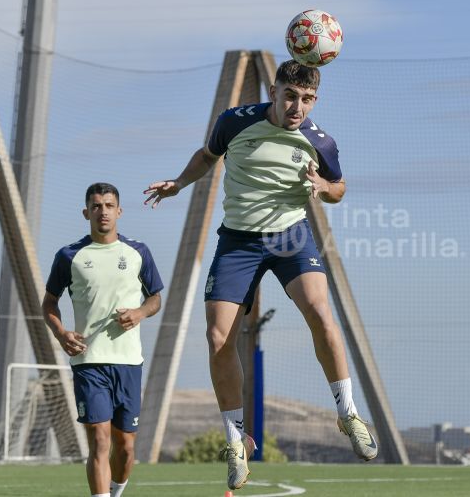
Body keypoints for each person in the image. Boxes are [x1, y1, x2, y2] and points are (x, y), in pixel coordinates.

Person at [143, 60, 377, 490]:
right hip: (239, 242)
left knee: (320, 312)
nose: (297, 107)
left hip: (291, 238)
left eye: (306, 100)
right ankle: (236, 439)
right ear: (274, 90)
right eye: (290, 96)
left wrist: (324, 189)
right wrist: (178, 183)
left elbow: (339, 187)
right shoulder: (234, 122)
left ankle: (348, 414)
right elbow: (207, 156)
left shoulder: (319, 142)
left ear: (315, 101)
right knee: (218, 338)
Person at [43, 183, 163, 497]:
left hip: (128, 362)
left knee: (125, 446)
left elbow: (155, 299)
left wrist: (139, 313)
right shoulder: (69, 255)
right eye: (96, 206)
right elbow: (49, 302)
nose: (103, 211)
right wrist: (61, 333)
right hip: (88, 361)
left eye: (109, 205)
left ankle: (115, 490)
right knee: (99, 440)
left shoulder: (138, 252)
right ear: (87, 212)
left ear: (119, 211)